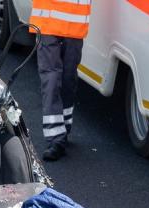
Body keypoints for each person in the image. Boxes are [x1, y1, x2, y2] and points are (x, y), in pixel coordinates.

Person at [29, 0, 91, 162]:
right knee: (51, 79)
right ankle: (55, 138)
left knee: (67, 80)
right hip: (47, 25)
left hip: (74, 27)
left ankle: (64, 126)